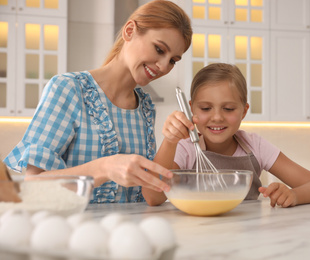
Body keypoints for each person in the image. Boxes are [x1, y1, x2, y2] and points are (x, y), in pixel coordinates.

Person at [3, 0, 193, 203]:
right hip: (75, 231)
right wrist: (104, 168)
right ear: (130, 31)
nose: (164, 67)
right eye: (159, 49)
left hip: (128, 231)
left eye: (173, 60)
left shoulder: (145, 107)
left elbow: (150, 193)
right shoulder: (68, 89)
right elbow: (34, 185)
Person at [142, 63, 310, 207]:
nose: (217, 117)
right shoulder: (186, 147)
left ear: (244, 111)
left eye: (229, 108)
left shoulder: (254, 146)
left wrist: (294, 195)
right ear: (191, 109)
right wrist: (169, 141)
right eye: (206, 108)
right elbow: (152, 197)